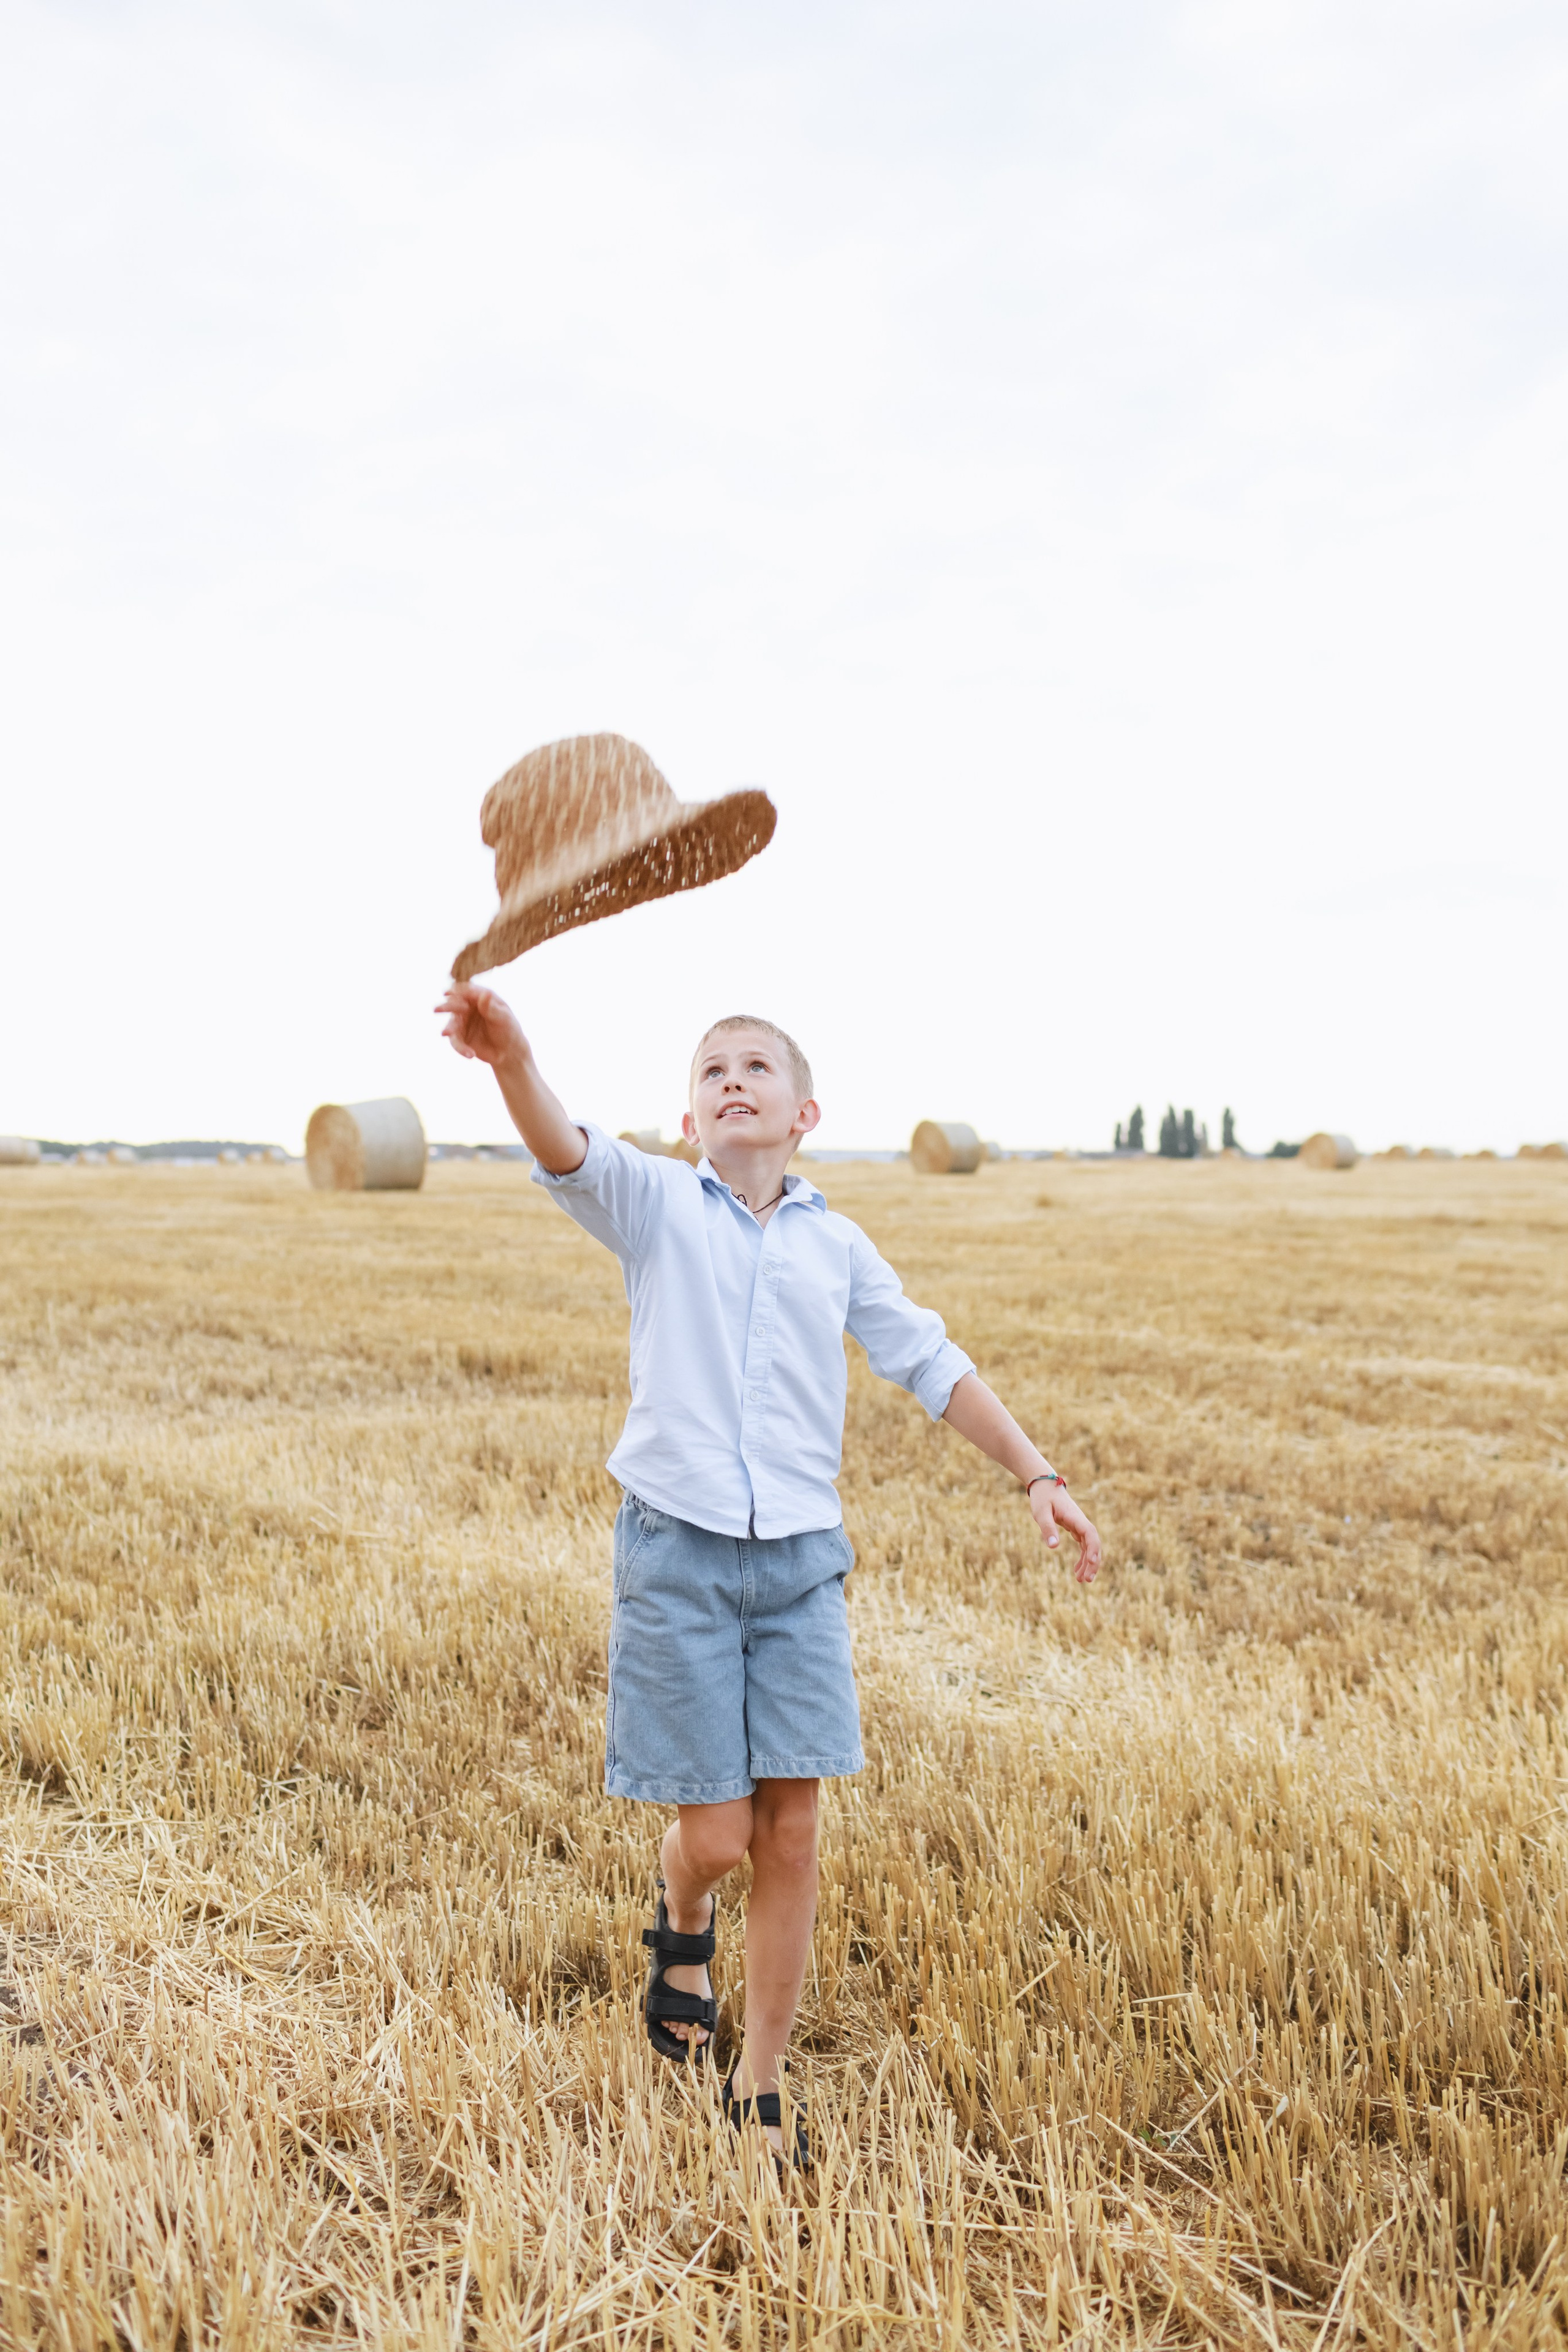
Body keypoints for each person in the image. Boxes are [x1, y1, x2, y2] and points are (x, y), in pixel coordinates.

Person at [437, 986, 1102, 2159]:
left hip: (799, 1567)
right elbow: (562, 1142)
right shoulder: (653, 1205)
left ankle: (759, 2081)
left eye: (755, 1067)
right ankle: (682, 1911)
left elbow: (929, 1363)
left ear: (804, 1112)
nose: (731, 1081)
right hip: (678, 1557)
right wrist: (514, 1059)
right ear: (690, 1119)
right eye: (710, 1073)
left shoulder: (835, 1245)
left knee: (791, 1833)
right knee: (719, 1836)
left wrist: (1037, 1474)